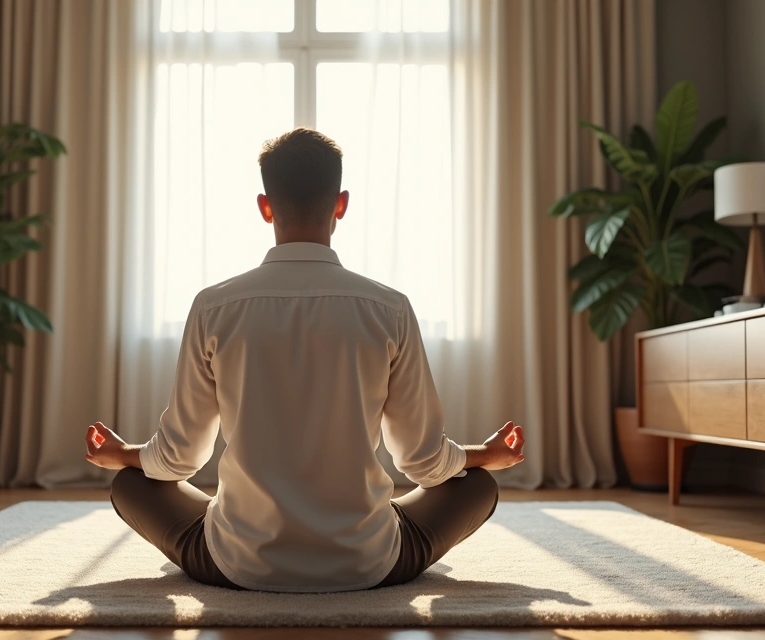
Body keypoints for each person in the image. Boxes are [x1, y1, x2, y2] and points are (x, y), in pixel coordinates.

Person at [83, 128, 525, 593]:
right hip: (369, 563)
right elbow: (424, 463)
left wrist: (122, 454)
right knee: (478, 485)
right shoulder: (389, 308)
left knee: (130, 484)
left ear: (265, 206)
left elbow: (177, 460)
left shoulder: (213, 307)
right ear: (341, 204)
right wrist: (487, 455)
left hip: (237, 563)